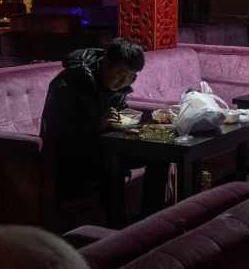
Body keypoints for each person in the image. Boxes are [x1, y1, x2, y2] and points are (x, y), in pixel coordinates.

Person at [40, 39, 166, 214]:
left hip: (105, 148)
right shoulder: (69, 82)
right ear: (106, 62)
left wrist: (126, 125)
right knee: (112, 161)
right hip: (72, 159)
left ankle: (153, 220)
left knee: (159, 153)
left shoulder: (116, 85)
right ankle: (117, 230)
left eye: (131, 76)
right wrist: (96, 124)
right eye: (122, 72)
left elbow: (116, 120)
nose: (125, 81)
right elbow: (55, 132)